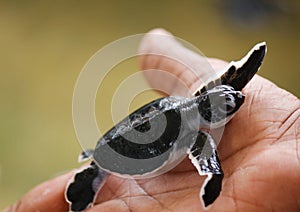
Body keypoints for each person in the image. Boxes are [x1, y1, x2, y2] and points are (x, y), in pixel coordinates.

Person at [4, 29, 300, 212]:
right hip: (125, 152)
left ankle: (96, 166)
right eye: (227, 104)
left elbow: (222, 90)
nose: (237, 101)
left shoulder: (190, 105)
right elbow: (209, 156)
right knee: (101, 168)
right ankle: (94, 174)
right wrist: (215, 177)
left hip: (124, 137)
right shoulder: (196, 134)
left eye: (229, 101)